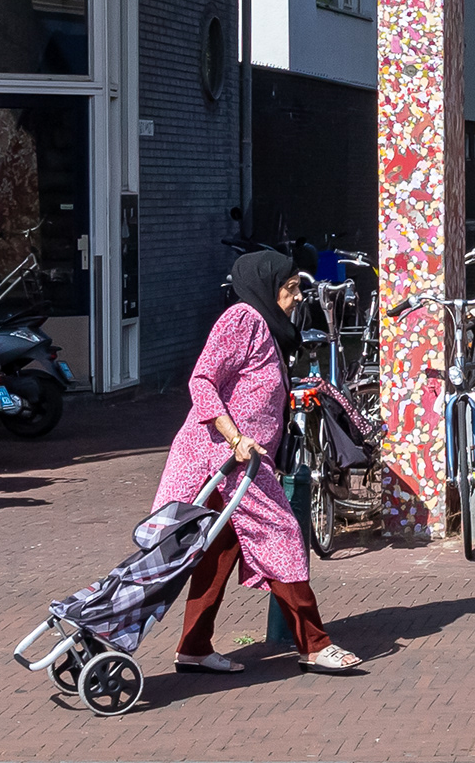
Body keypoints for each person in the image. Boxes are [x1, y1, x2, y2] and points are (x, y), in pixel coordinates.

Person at [157, 249, 360, 674]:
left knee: (218, 549)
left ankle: (193, 647)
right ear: (267, 288)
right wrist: (236, 438)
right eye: (289, 290)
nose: (296, 298)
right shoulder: (243, 319)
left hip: (239, 466)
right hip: (222, 461)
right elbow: (202, 379)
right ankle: (315, 645)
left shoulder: (268, 328)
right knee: (283, 536)